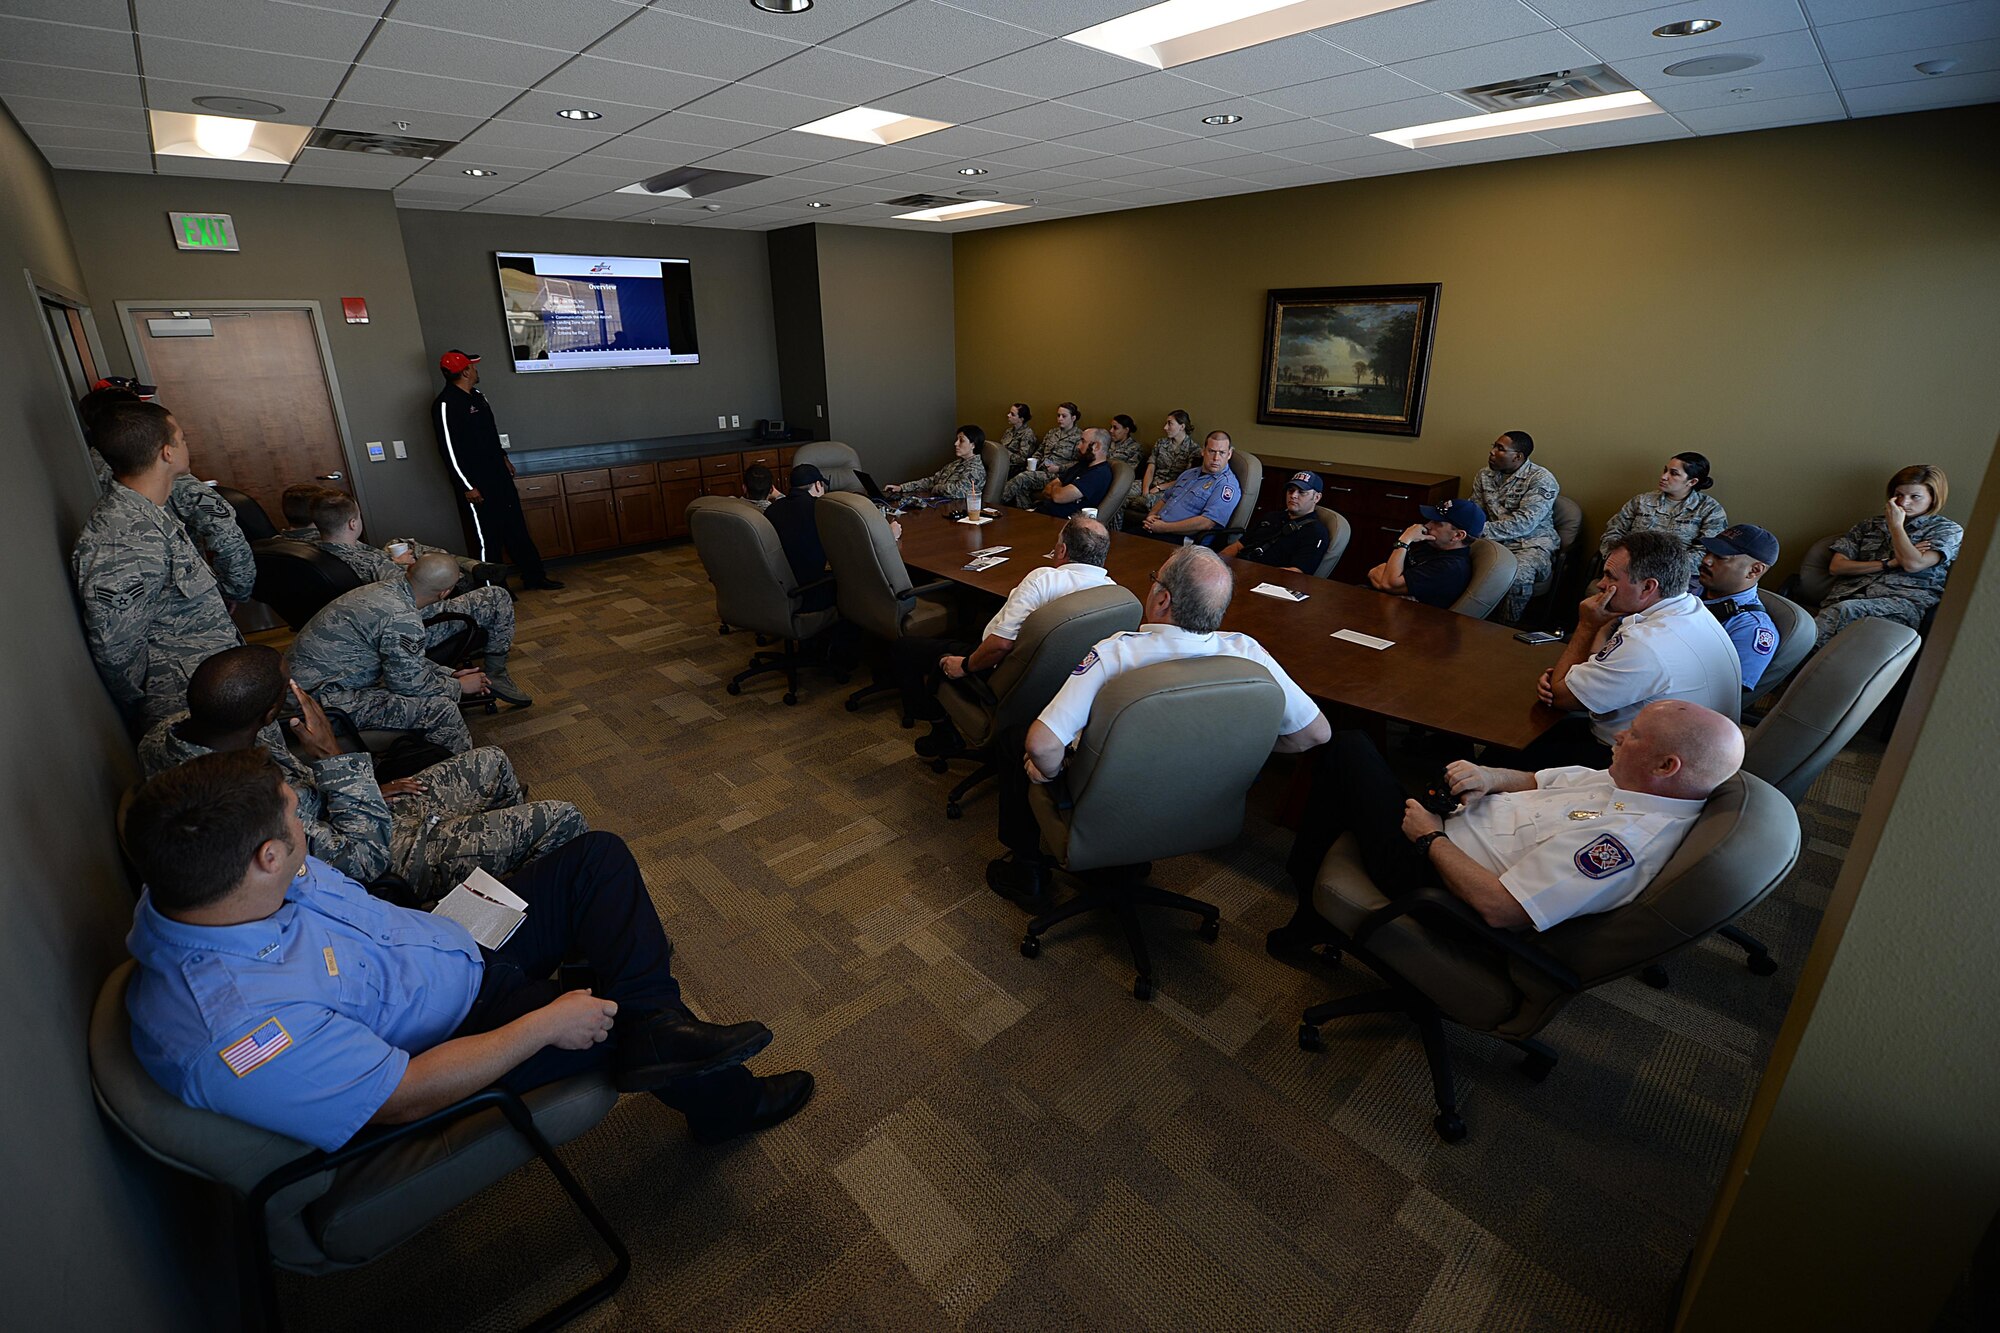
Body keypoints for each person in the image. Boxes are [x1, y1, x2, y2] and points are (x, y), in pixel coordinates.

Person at [122, 748, 813, 1153]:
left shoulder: (212, 882)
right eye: (294, 813)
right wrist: (544, 1024)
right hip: (463, 1025)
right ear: (267, 857)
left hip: (447, 938)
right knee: (614, 1014)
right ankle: (724, 1104)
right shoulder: (238, 1025)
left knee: (596, 859)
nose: (304, 821)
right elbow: (402, 1097)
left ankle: (656, 1018)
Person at [987, 545, 1331, 908]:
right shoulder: (1248, 653)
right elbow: (1315, 733)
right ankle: (1118, 864)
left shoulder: (1116, 653)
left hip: (1109, 801)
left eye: (1155, 579)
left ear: (1163, 599)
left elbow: (1042, 744)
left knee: (1015, 740)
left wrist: (1049, 772)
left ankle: (1026, 872)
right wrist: (1236, 751)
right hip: (1200, 805)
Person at [1266, 700, 1743, 955]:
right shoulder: (1630, 782)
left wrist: (1429, 838)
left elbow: (1502, 909)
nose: (1619, 735)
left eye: (1634, 735)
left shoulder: (1623, 843)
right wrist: (1488, 777)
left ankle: (1310, 910)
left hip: (1443, 888)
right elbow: (1541, 780)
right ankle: (1314, 901)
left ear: (1666, 765)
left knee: (1346, 748)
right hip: (1457, 831)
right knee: (1406, 754)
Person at [139, 646, 585, 896]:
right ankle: (517, 912)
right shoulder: (241, 800)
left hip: (354, 806)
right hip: (381, 853)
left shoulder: (177, 731)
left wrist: (363, 789)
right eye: (288, 685)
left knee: (493, 760)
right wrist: (335, 761)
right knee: (560, 817)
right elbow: (363, 862)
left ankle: (497, 875)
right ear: (271, 711)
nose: (298, 689)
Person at [71, 400, 243, 727]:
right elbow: (118, 652)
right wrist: (151, 702)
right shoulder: (123, 539)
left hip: (213, 683)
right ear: (167, 453)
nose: (186, 445)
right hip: (184, 700)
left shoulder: (150, 512)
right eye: (182, 439)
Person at [1517, 530, 1743, 770]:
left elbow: (1560, 698)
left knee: (1513, 749)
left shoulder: (1645, 643)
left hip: (1644, 767)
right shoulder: (1690, 609)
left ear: (1647, 587)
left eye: (1610, 576)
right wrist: (1569, 680)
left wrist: (1587, 626)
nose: (1601, 585)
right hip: (1687, 756)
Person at [893, 515, 1115, 757]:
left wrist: (965, 665)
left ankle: (942, 732)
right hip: (1061, 684)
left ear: (1062, 550)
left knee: (905, 649)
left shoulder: (1044, 580)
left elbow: (1000, 644)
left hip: (1003, 673)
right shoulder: (1113, 594)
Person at [308, 491, 524, 701]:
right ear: (353, 523)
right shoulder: (370, 563)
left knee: (400, 542)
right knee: (496, 596)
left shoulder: (318, 551)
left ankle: (469, 566)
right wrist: (404, 565)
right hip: (413, 622)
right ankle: (497, 675)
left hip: (369, 624)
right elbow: (414, 588)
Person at [288, 555, 508, 754]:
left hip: (308, 690)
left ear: (410, 569)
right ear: (445, 593)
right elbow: (406, 684)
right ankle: (463, 774)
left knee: (434, 693)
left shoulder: (383, 591)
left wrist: (448, 674)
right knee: (441, 710)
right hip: (317, 706)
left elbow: (401, 661)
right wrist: (459, 687)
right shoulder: (402, 618)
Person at [79, 382, 256, 603]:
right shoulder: (158, 471)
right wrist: (233, 591)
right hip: (192, 599)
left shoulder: (90, 469)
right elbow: (224, 532)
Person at [432, 349, 562, 592]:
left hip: (499, 476)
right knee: (488, 538)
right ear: (466, 371)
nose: (476, 370)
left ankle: (534, 576)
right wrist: (466, 486)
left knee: (517, 528)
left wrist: (504, 458)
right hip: (476, 485)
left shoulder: (478, 397)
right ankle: (493, 588)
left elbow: (491, 433)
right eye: (473, 366)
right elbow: (448, 450)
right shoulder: (445, 404)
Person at [1816, 464, 1962, 647]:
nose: (1903, 503)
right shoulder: (1869, 525)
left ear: (1933, 498)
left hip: (1900, 605)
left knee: (1841, 613)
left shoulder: (1946, 530)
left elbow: (1913, 564)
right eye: (1899, 495)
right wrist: (1889, 563)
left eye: (1915, 496)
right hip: (1846, 597)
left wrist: (1896, 526)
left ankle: (1792, 661)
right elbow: (1837, 567)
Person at [1598, 453, 1727, 594]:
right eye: (1665, 470)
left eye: (1674, 473)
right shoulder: (1641, 501)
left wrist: (1662, 569)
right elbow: (1613, 533)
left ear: (1692, 482)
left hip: (1679, 577)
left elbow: (1706, 552)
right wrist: (1623, 562)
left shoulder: (1709, 509)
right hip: (1630, 570)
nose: (1664, 477)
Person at [1469, 430, 1560, 623]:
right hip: (1492, 541)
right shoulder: (1484, 475)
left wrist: (1476, 531)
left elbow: (1524, 524)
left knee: (1517, 577)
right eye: (1494, 446)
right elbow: (1475, 511)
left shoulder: (1541, 479)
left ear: (1517, 457)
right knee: (1453, 559)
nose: (1492, 452)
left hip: (1530, 545)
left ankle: (1506, 627)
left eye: (1500, 449)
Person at [1697, 524, 1782, 693]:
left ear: (1754, 570)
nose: (1706, 560)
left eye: (1720, 557)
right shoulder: (1689, 592)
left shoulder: (1750, 629)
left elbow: (1720, 696)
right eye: (1708, 552)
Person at [1366, 498, 1485, 606]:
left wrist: (1404, 540)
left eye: (1437, 523)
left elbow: (1388, 583)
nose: (1427, 525)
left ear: (1458, 535)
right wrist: (1389, 582)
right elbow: (1375, 571)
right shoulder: (1432, 546)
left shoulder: (1450, 567)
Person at [1139, 431, 1240, 544]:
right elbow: (1165, 499)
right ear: (1203, 451)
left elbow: (1207, 523)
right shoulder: (1189, 474)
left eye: (1222, 453)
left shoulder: (1227, 485)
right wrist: (1151, 516)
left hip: (1180, 540)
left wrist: (1164, 528)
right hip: (1157, 529)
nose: (1216, 458)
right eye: (1211, 451)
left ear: (1229, 454)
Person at [1223, 471, 1332, 574]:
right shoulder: (1271, 517)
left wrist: (1254, 574)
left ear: (1317, 497)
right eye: (1291, 490)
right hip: (1238, 569)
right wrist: (1218, 563)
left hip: (1267, 580)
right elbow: (1238, 546)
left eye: (1302, 492)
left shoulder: (1316, 532)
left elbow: (1297, 572)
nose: (1293, 495)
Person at [764, 463, 834, 612]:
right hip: (813, 591)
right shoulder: (820, 510)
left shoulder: (772, 510)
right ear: (817, 485)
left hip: (781, 588)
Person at [1001, 402, 1082, 509]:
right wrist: (1034, 461)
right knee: (1021, 488)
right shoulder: (1052, 433)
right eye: (1058, 415)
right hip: (1041, 469)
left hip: (1058, 476)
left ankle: (994, 502)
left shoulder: (1079, 437)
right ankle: (1026, 512)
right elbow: (1040, 450)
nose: (1060, 419)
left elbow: (1078, 463)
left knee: (1022, 478)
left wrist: (1059, 468)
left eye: (1064, 416)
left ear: (1073, 418)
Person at [886, 426, 987, 506]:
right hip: (940, 505)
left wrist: (937, 488)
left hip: (957, 510)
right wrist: (902, 488)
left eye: (961, 440)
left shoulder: (975, 469)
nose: (956, 443)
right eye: (957, 439)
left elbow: (960, 492)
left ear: (973, 445)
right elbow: (932, 480)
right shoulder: (955, 464)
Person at [1031, 427, 1113, 519]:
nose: (1078, 446)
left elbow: (1058, 497)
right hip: (1042, 511)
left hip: (1059, 521)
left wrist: (1057, 488)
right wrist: (1059, 489)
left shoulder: (1099, 474)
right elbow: (1046, 490)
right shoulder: (1081, 465)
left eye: (1083, 441)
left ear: (1096, 446)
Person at [996, 402, 1037, 472]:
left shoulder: (1027, 434)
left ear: (1021, 419)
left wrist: (1004, 452)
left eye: (1013, 414)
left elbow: (1022, 460)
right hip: (1001, 461)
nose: (1008, 415)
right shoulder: (1009, 431)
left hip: (1014, 468)